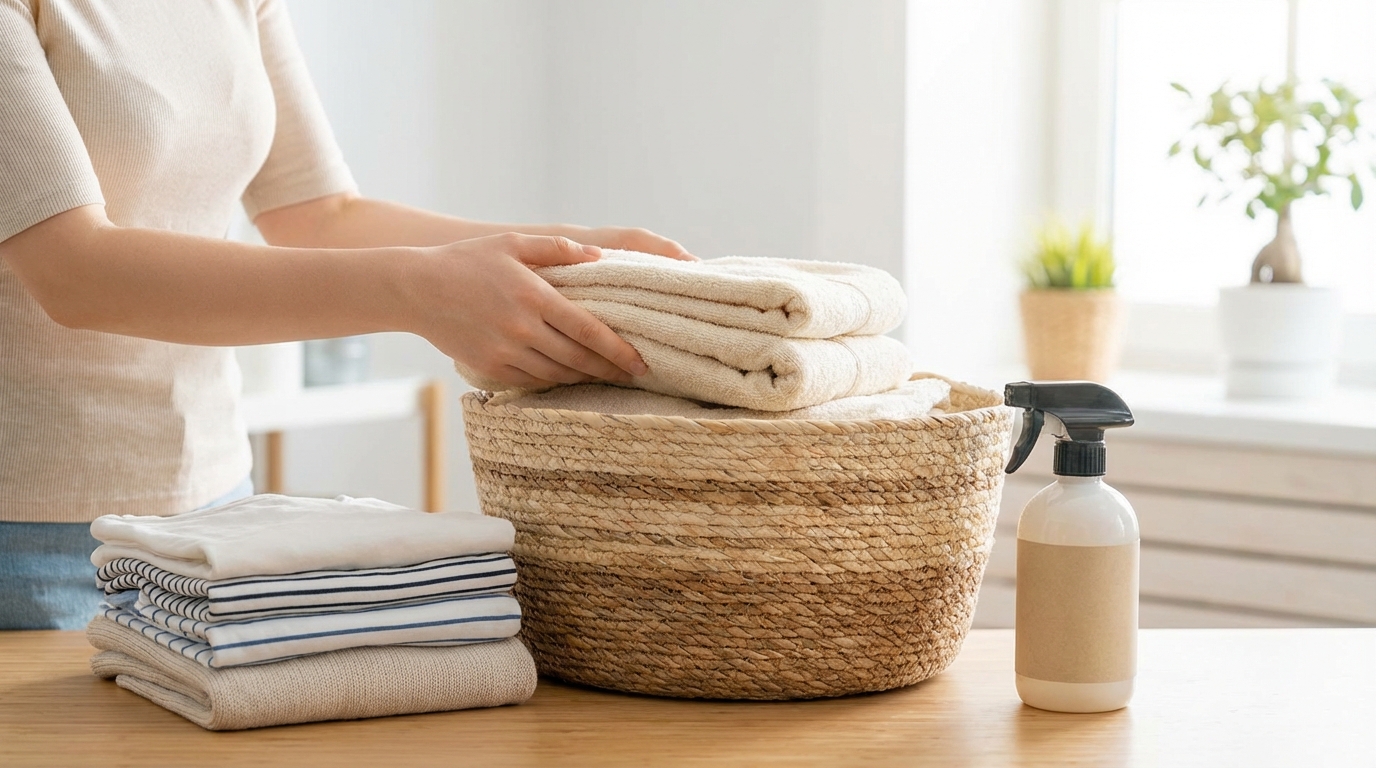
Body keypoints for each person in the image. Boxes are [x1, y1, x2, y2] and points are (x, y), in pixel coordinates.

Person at [0, 0, 692, 630]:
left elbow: (319, 215)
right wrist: (421, 292)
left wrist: (577, 253)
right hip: (27, 540)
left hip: (215, 512)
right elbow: (74, 272)